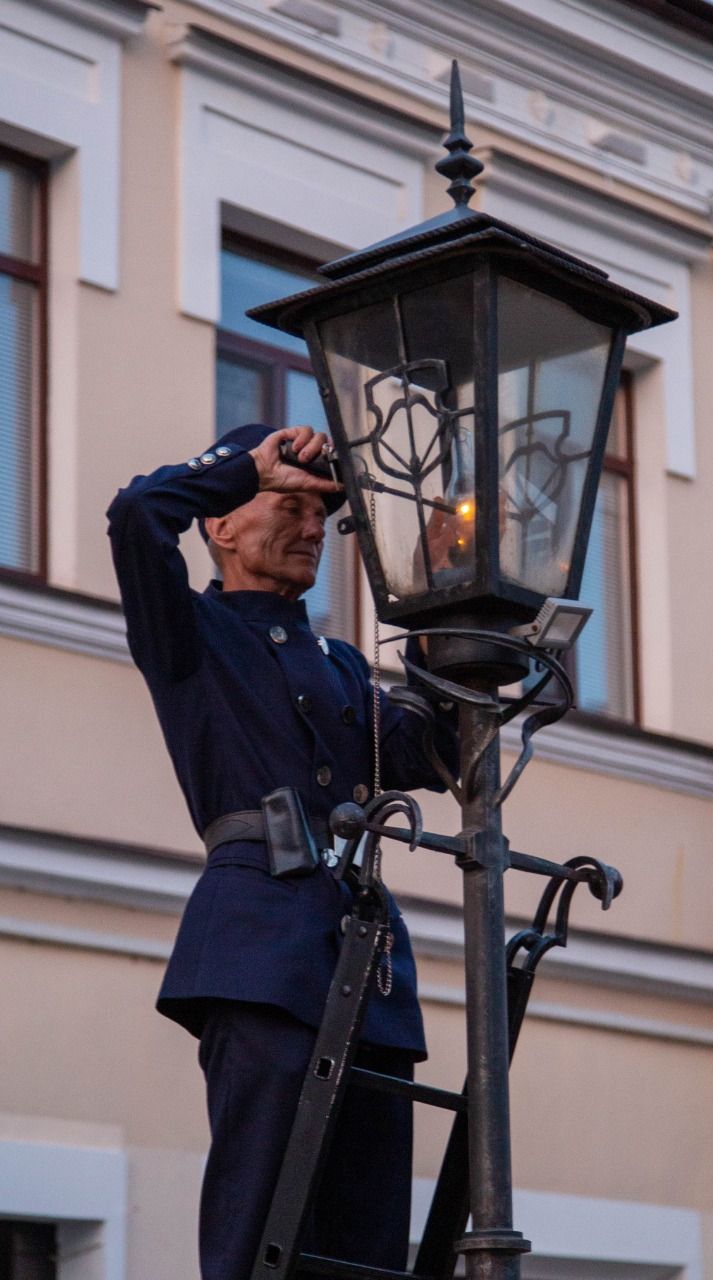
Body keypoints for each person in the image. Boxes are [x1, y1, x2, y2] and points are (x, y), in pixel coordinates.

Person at [106, 421, 457, 1280]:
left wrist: (446, 603)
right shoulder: (190, 633)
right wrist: (241, 467)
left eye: (322, 516)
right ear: (222, 523)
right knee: (260, 1216)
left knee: (367, 1239)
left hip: (366, 956)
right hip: (258, 948)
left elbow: (431, 755)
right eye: (288, 505)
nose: (310, 529)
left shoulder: (341, 664)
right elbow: (137, 515)